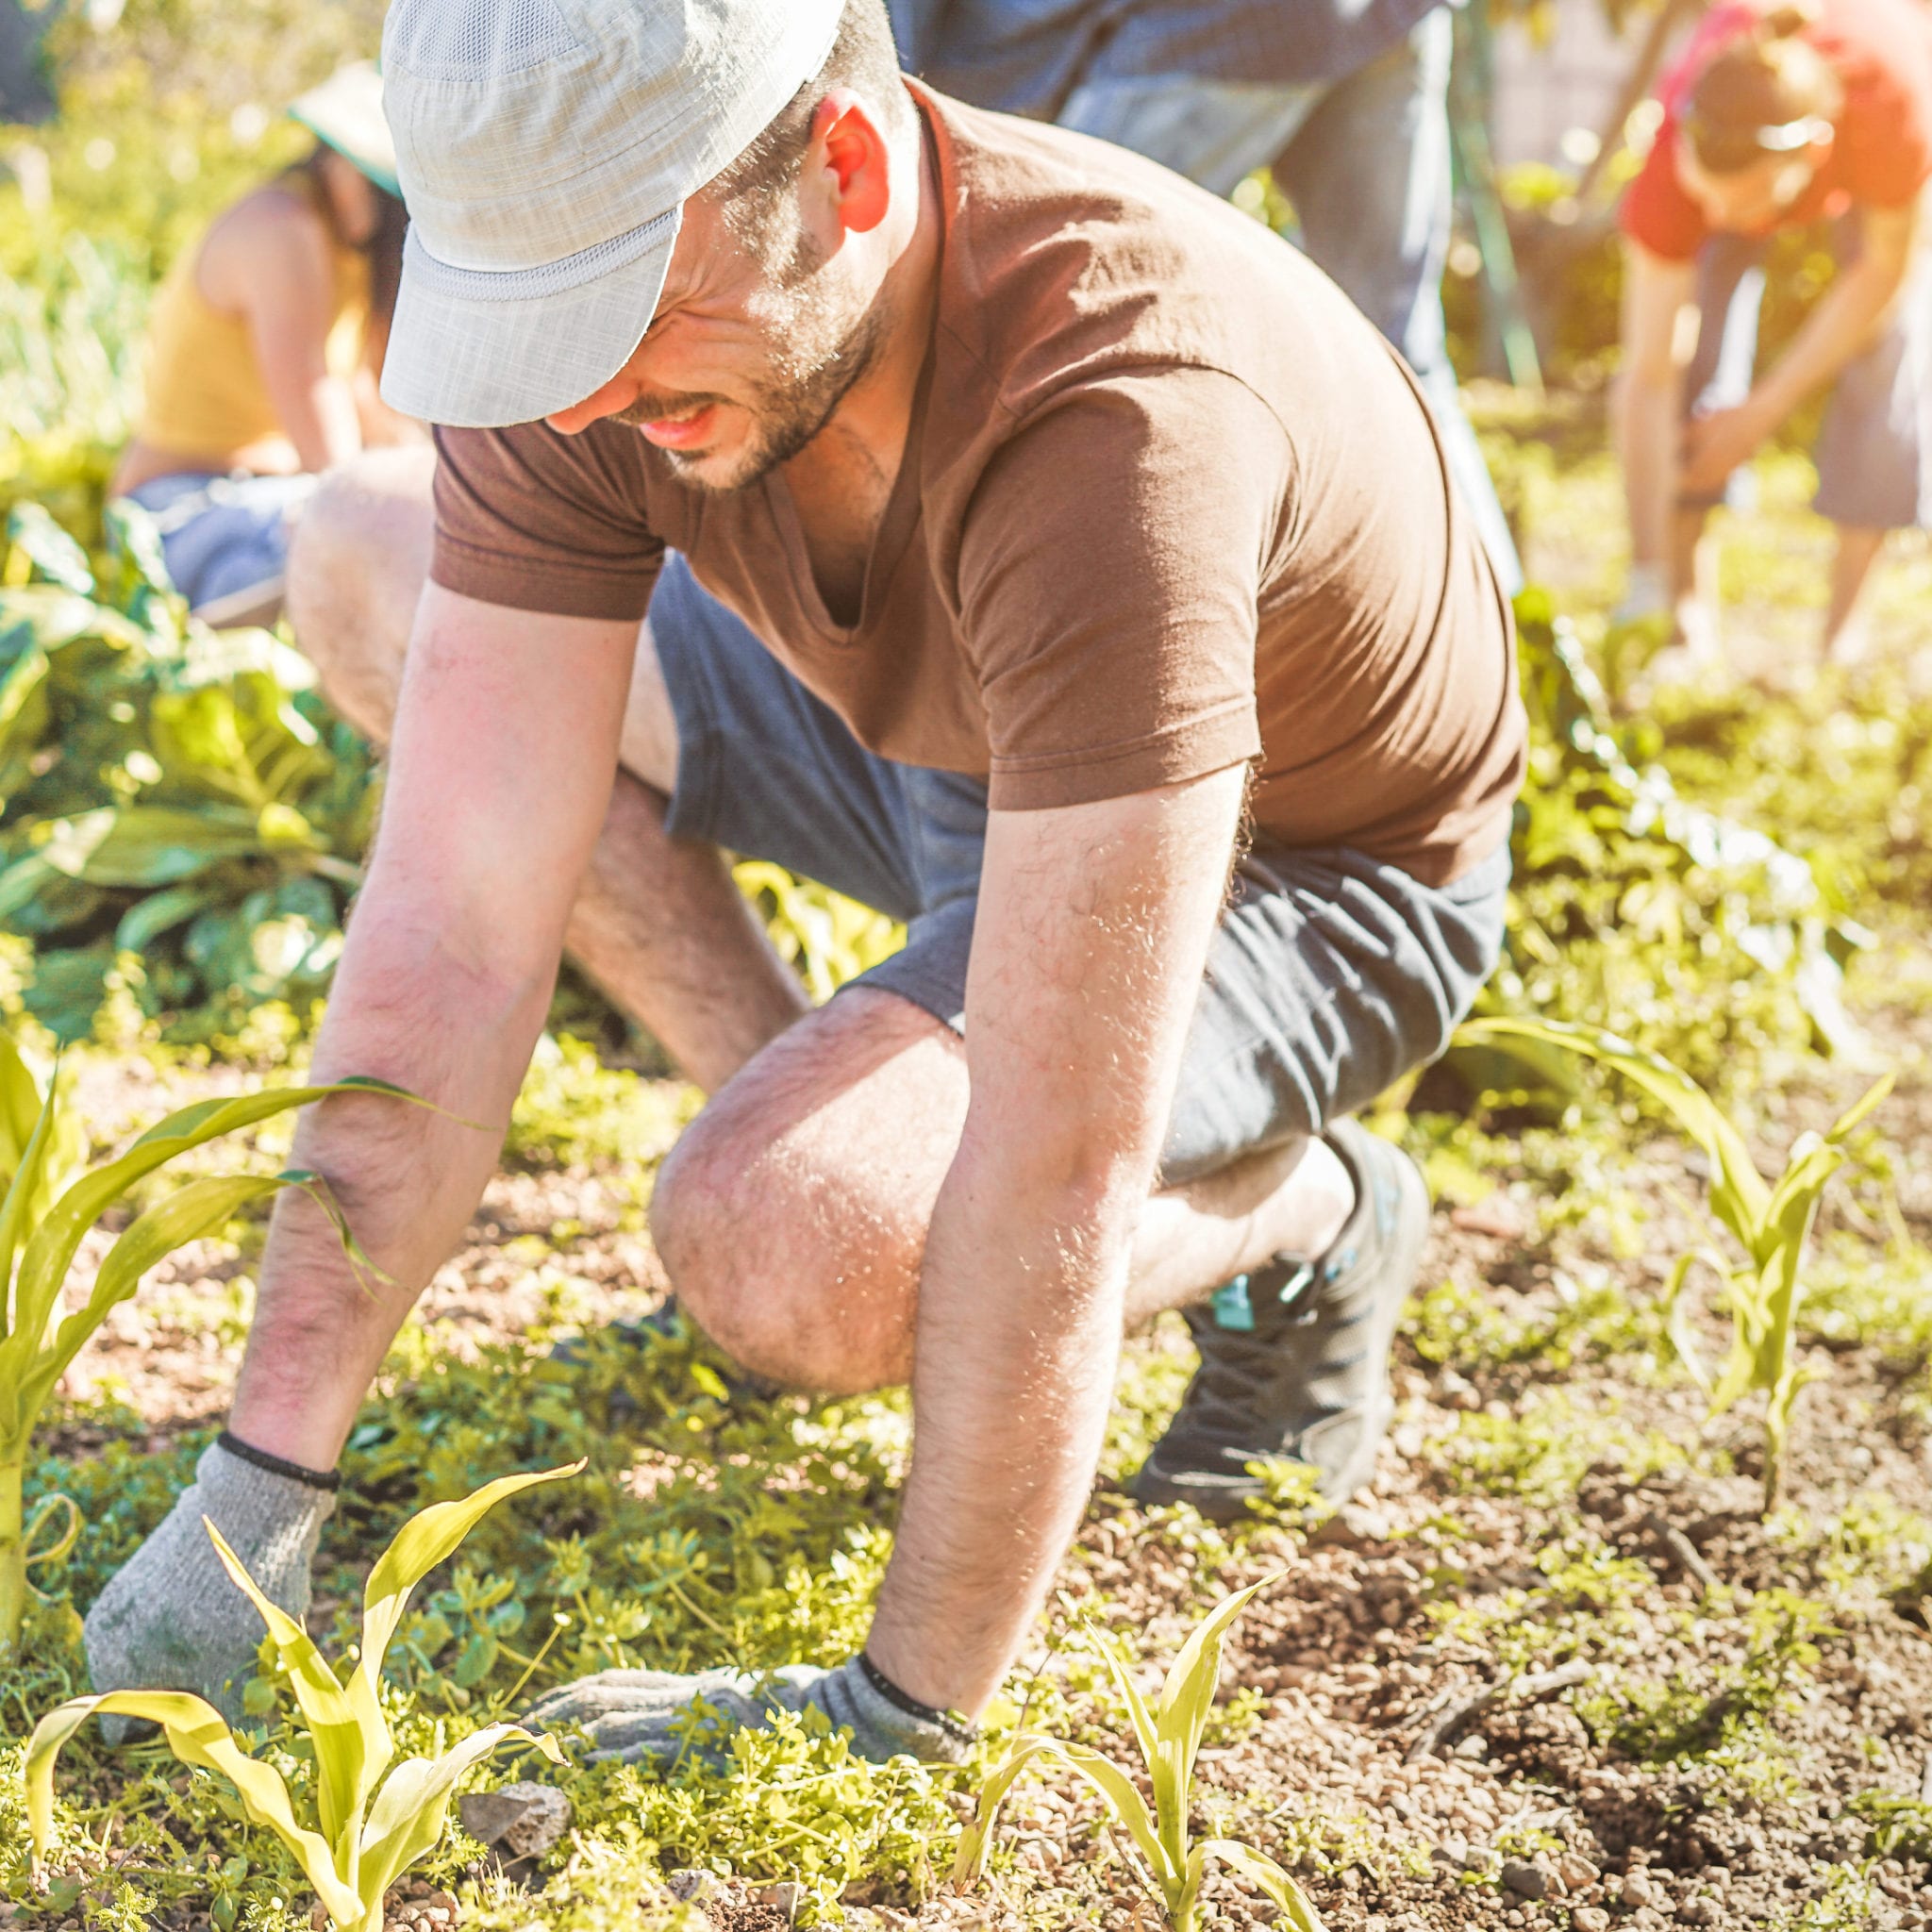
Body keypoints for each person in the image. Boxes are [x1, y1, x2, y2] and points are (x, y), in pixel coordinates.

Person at [83, 0, 1524, 1766]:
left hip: (1292, 859)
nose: (587, 391)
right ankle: (830, 1140)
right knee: (365, 548)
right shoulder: (608, 346)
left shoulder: (1122, 409)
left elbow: (1061, 1139)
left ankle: (1300, 1210)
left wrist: (897, 1708)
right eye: (538, 321)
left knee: (783, 1246)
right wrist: (258, 1485)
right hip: (938, 734)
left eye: (625, 312)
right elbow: (454, 915)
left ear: (841, 168)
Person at [887, 0, 1524, 592]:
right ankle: (1515, 670)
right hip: (1379, 16)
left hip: (1210, 25)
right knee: (1401, 357)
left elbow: (890, 56)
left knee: (1033, 335)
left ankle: (997, 644)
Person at [1614, 0, 1932, 669]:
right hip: (1756, 148)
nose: (1720, 216)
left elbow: (1882, 275)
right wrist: (1642, 576)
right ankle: (1680, 604)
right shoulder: (1676, 166)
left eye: (1742, 203)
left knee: (1888, 351)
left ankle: (1841, 636)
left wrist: (1762, 411)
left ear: (1815, 155)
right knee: (1694, 361)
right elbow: (1646, 376)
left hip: (1868, 124)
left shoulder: (1891, 106)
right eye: (1706, 199)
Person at [111, 62, 418, 627]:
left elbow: (361, 396)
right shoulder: (282, 229)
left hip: (259, 495)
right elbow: (316, 407)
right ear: (341, 161)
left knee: (416, 520)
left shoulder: (342, 249)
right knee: (371, 545)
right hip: (180, 510)